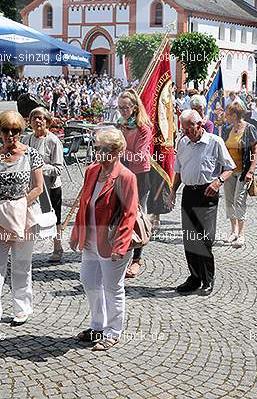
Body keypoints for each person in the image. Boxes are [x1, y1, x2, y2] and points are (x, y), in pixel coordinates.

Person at [69, 128, 139, 351]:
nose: (100, 153)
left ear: (117, 151)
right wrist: (76, 233)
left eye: (105, 150)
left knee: (112, 287)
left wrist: (121, 245)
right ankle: (97, 326)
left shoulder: (126, 177)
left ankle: (113, 331)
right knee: (89, 281)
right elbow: (83, 204)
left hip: (112, 242)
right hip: (90, 239)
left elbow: (130, 213)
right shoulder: (92, 171)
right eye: (97, 148)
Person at [0, 111, 45, 333]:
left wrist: (20, 205)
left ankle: (22, 309)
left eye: (15, 130)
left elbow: (38, 187)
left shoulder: (31, 155)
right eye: (6, 130)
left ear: (20, 132)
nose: (10, 135)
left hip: (25, 216)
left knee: (22, 264)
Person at [167, 110, 235, 295]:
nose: (186, 133)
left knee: (204, 238)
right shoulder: (183, 142)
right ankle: (194, 277)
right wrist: (173, 191)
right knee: (189, 237)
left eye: (189, 129)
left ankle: (207, 278)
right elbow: (179, 171)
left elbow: (229, 168)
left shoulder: (215, 142)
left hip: (208, 193)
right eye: (183, 130)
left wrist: (218, 181)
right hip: (189, 192)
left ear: (199, 125)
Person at [116, 90, 152, 278]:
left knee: (138, 216)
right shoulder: (122, 125)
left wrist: (118, 153)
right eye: (120, 107)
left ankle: (137, 259)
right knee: (121, 213)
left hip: (139, 175)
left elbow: (138, 156)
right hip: (122, 173)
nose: (122, 110)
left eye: (125, 107)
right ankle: (122, 249)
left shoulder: (143, 128)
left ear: (135, 108)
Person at [24, 108, 65, 262]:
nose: (38, 121)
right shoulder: (26, 139)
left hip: (50, 187)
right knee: (28, 218)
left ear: (47, 121)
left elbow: (58, 168)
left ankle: (58, 247)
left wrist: (39, 168)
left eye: (41, 118)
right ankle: (24, 249)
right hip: (31, 187)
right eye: (34, 118)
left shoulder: (53, 141)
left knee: (54, 219)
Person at [222, 102, 257, 247]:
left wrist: (251, 171)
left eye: (228, 114)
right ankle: (233, 231)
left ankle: (242, 234)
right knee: (229, 201)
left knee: (239, 200)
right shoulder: (228, 129)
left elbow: (255, 152)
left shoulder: (250, 129)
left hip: (243, 171)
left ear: (235, 115)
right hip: (229, 170)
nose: (226, 116)